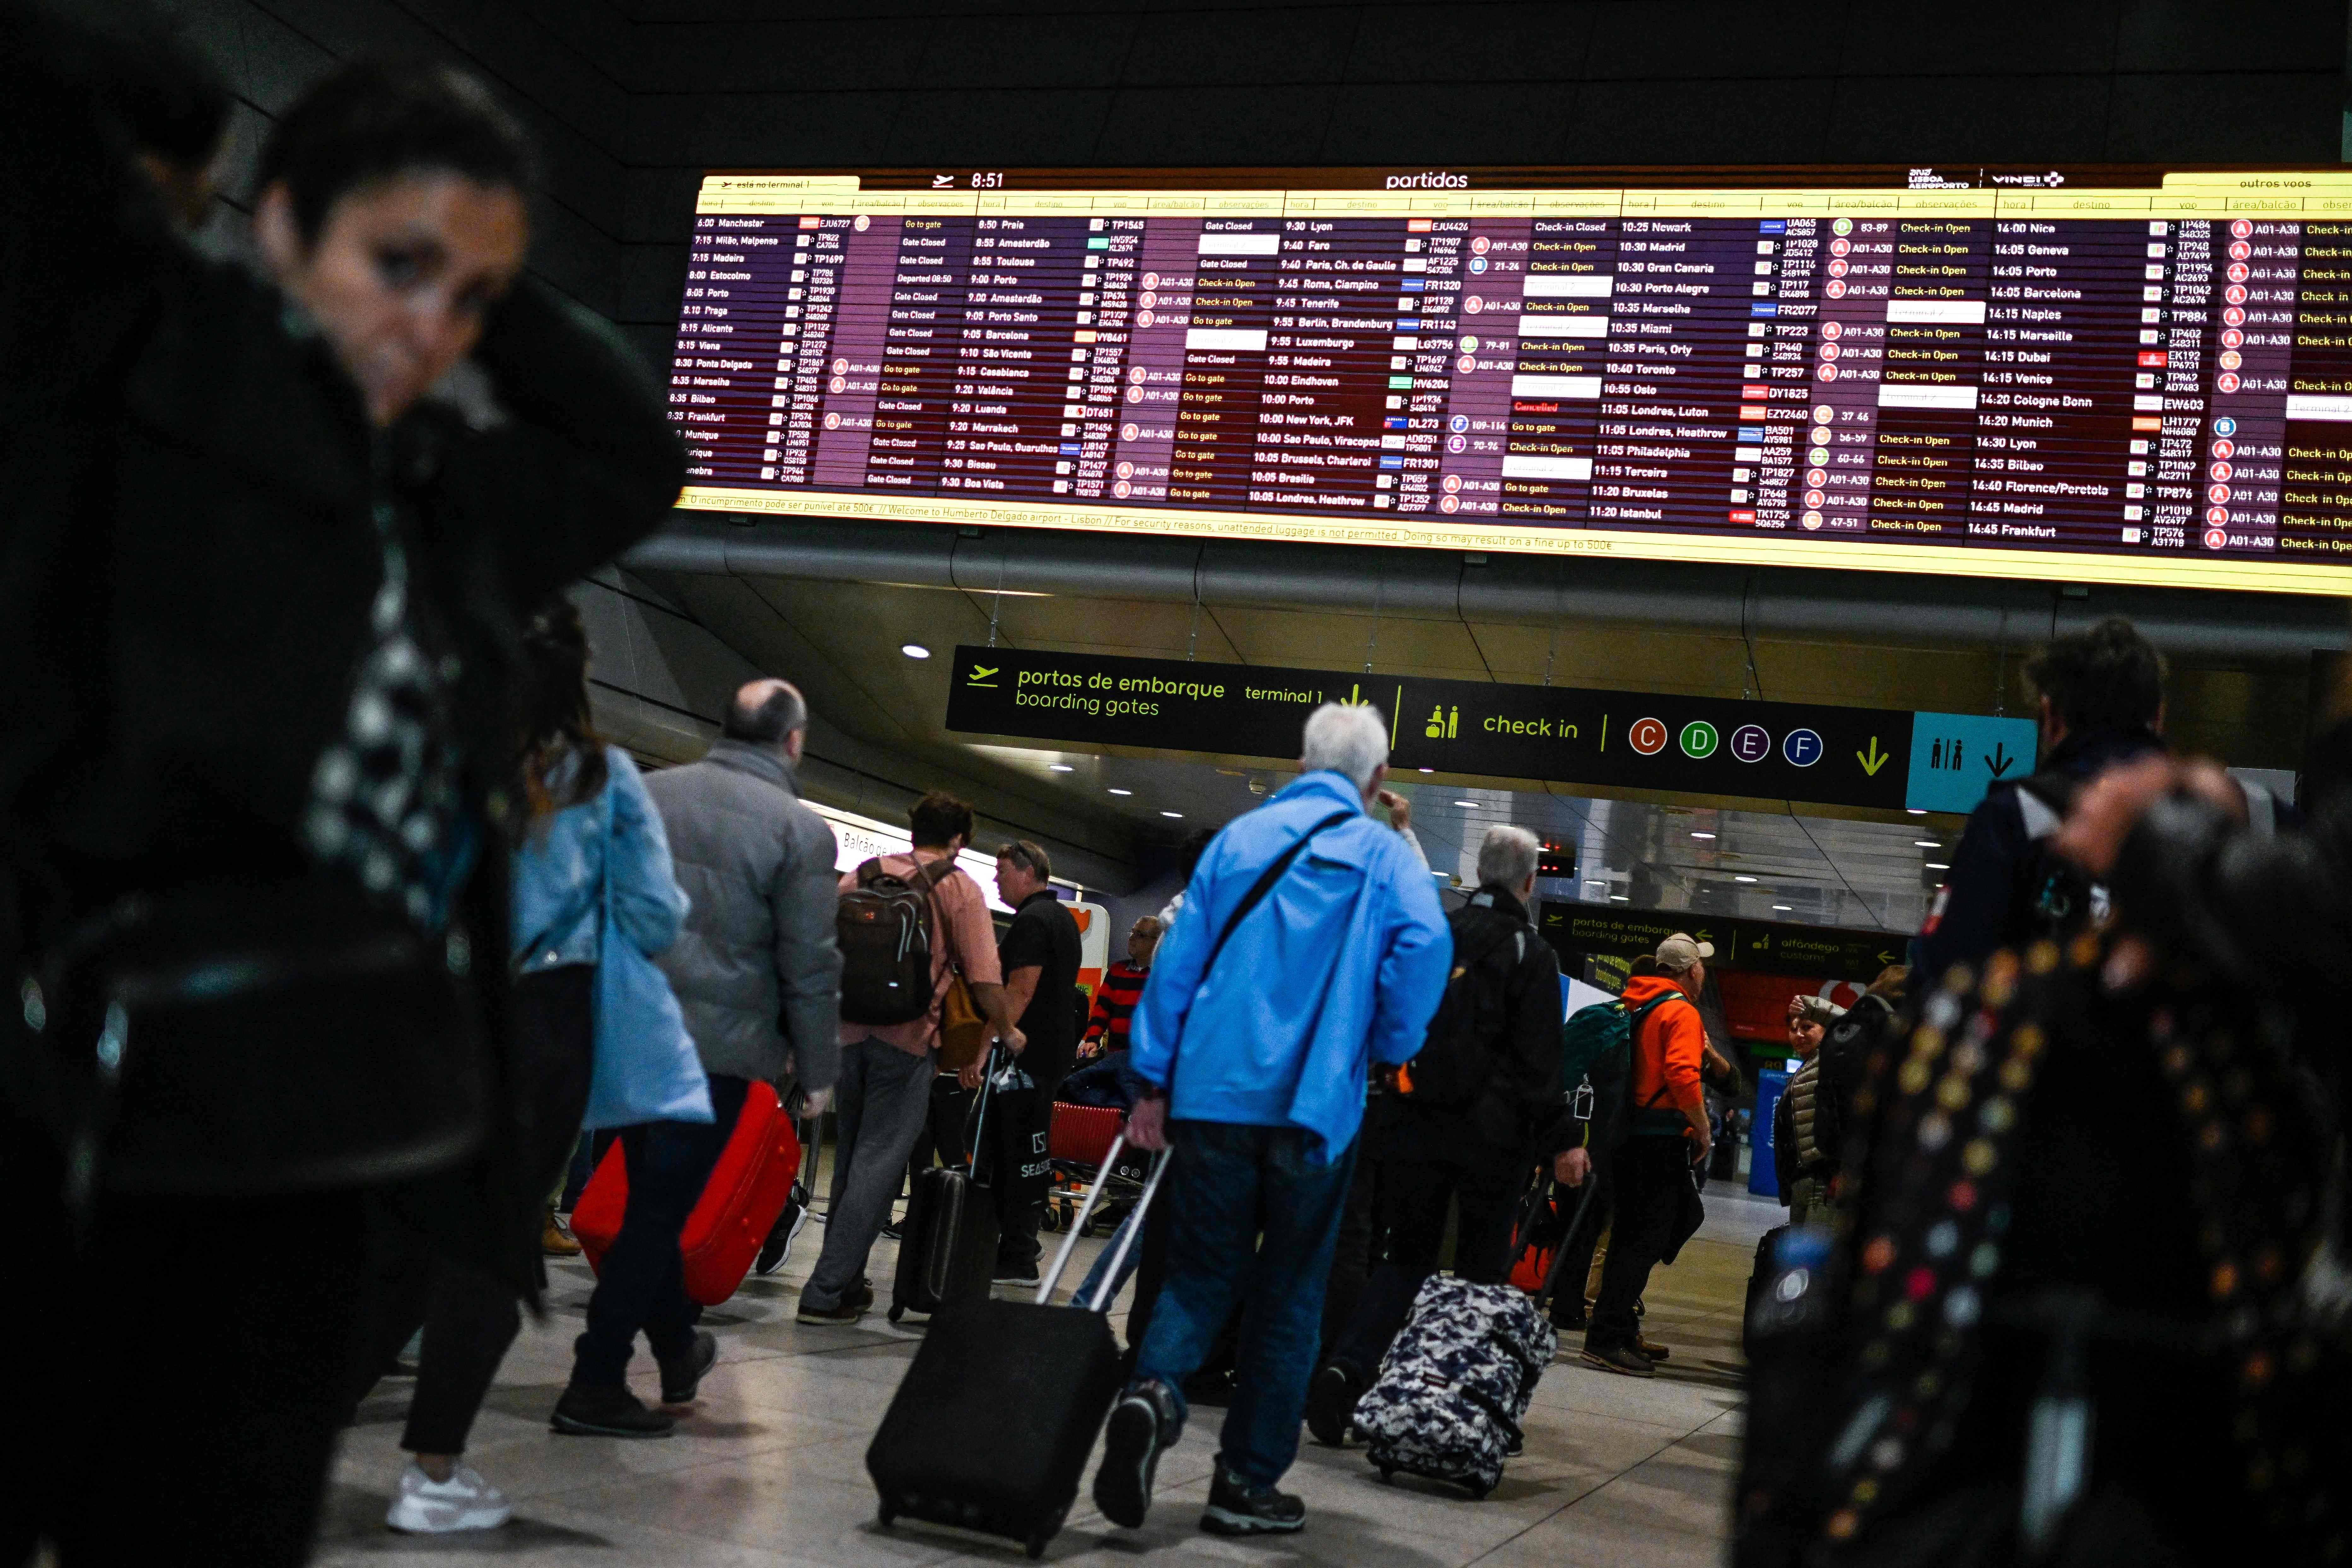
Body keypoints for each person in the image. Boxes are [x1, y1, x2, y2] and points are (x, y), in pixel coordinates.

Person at [2, 37, 684, 1565]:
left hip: (312, 1143)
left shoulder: (443, 495)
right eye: (399, 265)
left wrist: (486, 301)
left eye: (472, 298)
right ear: (280, 220)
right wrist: (176, 114)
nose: (426, 325)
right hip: (79, 1095)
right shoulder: (135, 368)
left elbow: (636, 455)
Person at [354, 602, 686, 1526]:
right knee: (483, 1252)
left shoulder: (449, 755)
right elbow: (657, 914)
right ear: (577, 674)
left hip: (439, 1009)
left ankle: (289, 1424)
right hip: (543, 1023)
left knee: (403, 1232)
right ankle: (432, 1471)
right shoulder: (600, 775)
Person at [1091, 702, 1449, 1538]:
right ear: (1378, 778)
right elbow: (1426, 947)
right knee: (1291, 1292)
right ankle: (1244, 1481)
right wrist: (1387, 1043)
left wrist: (1150, 1081)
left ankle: (1155, 1393)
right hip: (1314, 1106)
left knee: (1199, 1273)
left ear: (1301, 760)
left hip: (1212, 1095)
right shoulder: (1381, 855)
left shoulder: (1240, 841)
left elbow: (1174, 963)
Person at [550, 679, 843, 1433]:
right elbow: (807, 961)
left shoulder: (652, 794)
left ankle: (677, 1350)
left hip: (621, 1029)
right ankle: (595, 1379)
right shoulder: (800, 833)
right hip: (713, 1052)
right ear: (793, 740)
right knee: (657, 1215)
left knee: (643, 1203)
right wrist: (816, 1072)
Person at [1306, 823, 1565, 1444]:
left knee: (1404, 1259)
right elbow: (1538, 1059)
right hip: (1492, 1142)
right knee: (1477, 1274)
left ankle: (1346, 1371)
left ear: (1479, 872)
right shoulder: (1530, 951)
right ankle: (1449, 1404)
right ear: (1529, 882)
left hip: (1413, 1129)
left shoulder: (1433, 935)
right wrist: (1561, 1138)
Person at [798, 791, 1023, 1324]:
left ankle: (845, 1283)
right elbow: (985, 978)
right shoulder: (957, 888)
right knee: (878, 1164)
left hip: (847, 1031)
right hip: (908, 1038)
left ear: (912, 828)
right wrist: (1008, 1029)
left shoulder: (863, 873)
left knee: (853, 1159)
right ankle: (825, 1290)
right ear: (959, 839)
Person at [1911, 616, 2167, 989]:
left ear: (2049, 716)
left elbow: (1946, 970)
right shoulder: (2247, 815)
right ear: (2158, 716)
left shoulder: (2016, 817)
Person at [1581, 933, 1713, 1377]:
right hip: (1657, 1141)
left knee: (1631, 1237)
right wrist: (1702, 1125)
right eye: (1701, 966)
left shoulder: (1635, 1004)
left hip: (1625, 1137)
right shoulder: (1679, 1010)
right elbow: (1679, 1071)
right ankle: (1606, 1336)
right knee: (1642, 1240)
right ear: (1690, 970)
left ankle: (1616, 1329)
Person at [988, 840, 1082, 1284]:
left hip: (1025, 1057)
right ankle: (1017, 1248)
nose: (996, 879)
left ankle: (1016, 1254)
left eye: (1001, 870)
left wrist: (987, 1041)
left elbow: (1020, 991)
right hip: (1052, 1055)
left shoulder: (1030, 921)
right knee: (1029, 1154)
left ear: (1027, 873)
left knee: (1013, 1155)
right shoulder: (1061, 918)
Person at [1771, 995, 1834, 1223]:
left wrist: (1820, 1009)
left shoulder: (1832, 1059)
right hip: (1802, 1179)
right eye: (1793, 1029)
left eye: (1808, 1027)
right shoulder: (1804, 1069)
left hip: (1824, 1181)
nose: (1798, 1034)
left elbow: (1863, 1028)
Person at [1080, 915, 1161, 1061]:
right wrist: (1092, 1040)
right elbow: (1102, 1010)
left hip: (1147, 1059)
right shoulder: (1117, 970)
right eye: (1132, 932)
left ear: (1157, 941)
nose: (1132, 938)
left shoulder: (1163, 975)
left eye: (1140, 935)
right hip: (1115, 1055)